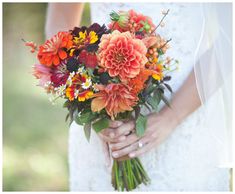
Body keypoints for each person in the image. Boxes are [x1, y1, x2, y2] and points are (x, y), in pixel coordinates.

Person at [46, 2, 232, 191]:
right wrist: (92, 110)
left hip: (188, 114)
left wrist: (171, 117)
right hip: (99, 111)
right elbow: (59, 23)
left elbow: (229, 36)